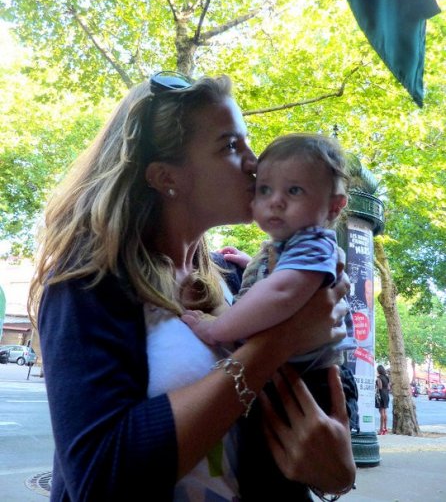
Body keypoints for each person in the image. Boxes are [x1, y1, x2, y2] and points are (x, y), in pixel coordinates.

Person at [28, 72, 356, 501]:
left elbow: (322, 398)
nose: (255, 162)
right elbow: (99, 477)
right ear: (167, 177)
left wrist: (337, 472)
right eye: (231, 146)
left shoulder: (239, 279)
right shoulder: (89, 284)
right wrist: (280, 339)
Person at [183, 133, 358, 422]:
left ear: (334, 206)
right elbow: (280, 279)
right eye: (264, 189)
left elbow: (282, 292)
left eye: (294, 190)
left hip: (312, 383)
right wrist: (253, 266)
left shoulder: (315, 244)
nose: (275, 201)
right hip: (292, 376)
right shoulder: (287, 248)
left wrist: (215, 329)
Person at [376, 364, 391, 435]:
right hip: (386, 395)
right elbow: (388, 388)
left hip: (381, 395)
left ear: (378, 371)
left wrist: (376, 386)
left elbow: (380, 387)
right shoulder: (387, 377)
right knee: (385, 412)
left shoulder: (379, 378)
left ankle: (381, 429)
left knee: (381, 412)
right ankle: (385, 428)